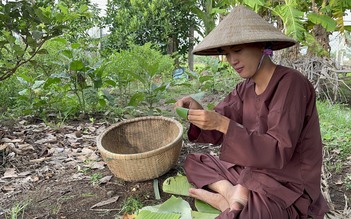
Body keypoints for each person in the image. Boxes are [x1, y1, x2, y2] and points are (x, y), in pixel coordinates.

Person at [175, 5, 329, 219]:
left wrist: (223, 124)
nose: (232, 60)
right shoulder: (244, 88)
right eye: (227, 54)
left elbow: (278, 150)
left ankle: (235, 203)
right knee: (195, 161)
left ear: (261, 45)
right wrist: (199, 113)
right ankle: (229, 194)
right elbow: (219, 124)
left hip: (286, 186)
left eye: (237, 51)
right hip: (252, 172)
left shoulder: (291, 84)